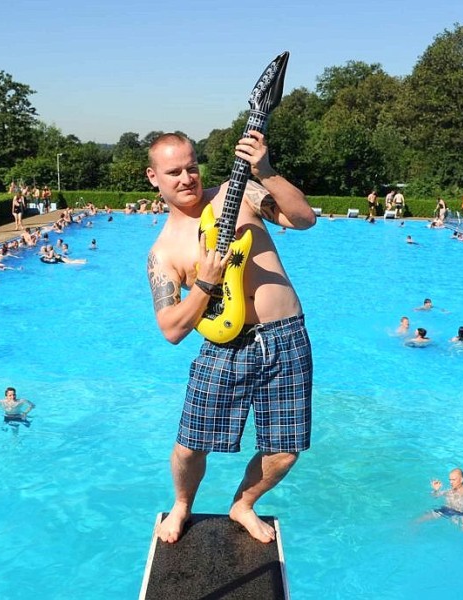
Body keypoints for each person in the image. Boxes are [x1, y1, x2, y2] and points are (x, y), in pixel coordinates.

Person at [145, 131, 315, 544]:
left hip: (286, 335)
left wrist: (266, 170)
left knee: (285, 450)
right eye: (174, 172)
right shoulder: (163, 251)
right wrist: (204, 282)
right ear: (154, 178)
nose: (186, 178)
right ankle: (183, 504)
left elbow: (304, 219)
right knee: (189, 446)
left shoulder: (239, 194)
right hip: (226, 344)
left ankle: (243, 504)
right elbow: (170, 329)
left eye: (191, 166)